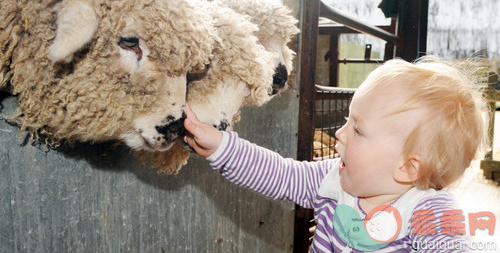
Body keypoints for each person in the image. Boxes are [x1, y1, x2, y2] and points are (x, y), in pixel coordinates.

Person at [183, 56, 489, 252]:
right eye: (347, 121)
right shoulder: (334, 178)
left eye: (357, 130)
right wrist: (222, 146)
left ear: (408, 168)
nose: (339, 134)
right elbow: (281, 174)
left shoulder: (426, 209)